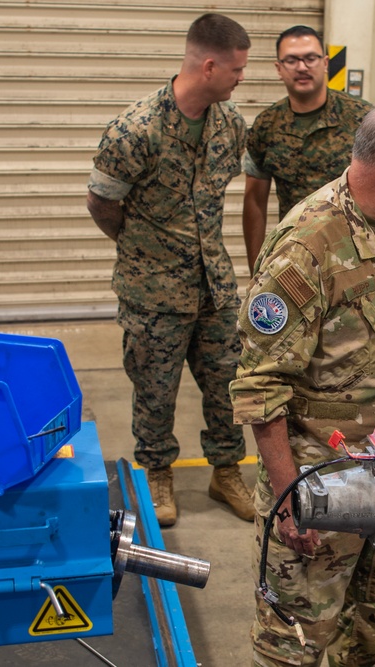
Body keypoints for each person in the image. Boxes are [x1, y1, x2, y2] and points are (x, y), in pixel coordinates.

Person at [230, 97, 375, 666]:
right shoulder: (306, 248)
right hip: (319, 485)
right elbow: (260, 387)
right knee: (294, 647)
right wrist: (290, 500)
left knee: (366, 639)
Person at [86, 13, 254, 527]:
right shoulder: (135, 130)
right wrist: (142, 250)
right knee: (154, 389)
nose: (241, 79)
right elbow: (101, 204)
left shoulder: (230, 126)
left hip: (214, 287)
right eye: (236, 70)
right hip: (152, 292)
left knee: (228, 384)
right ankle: (156, 474)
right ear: (208, 66)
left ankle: (226, 472)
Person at [242, 24, 373, 273]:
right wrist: (256, 270)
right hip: (294, 260)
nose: (302, 67)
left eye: (310, 58)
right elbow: (254, 204)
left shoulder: (363, 118)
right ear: (279, 68)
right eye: (291, 60)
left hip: (356, 261)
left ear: (325, 63)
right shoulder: (267, 125)